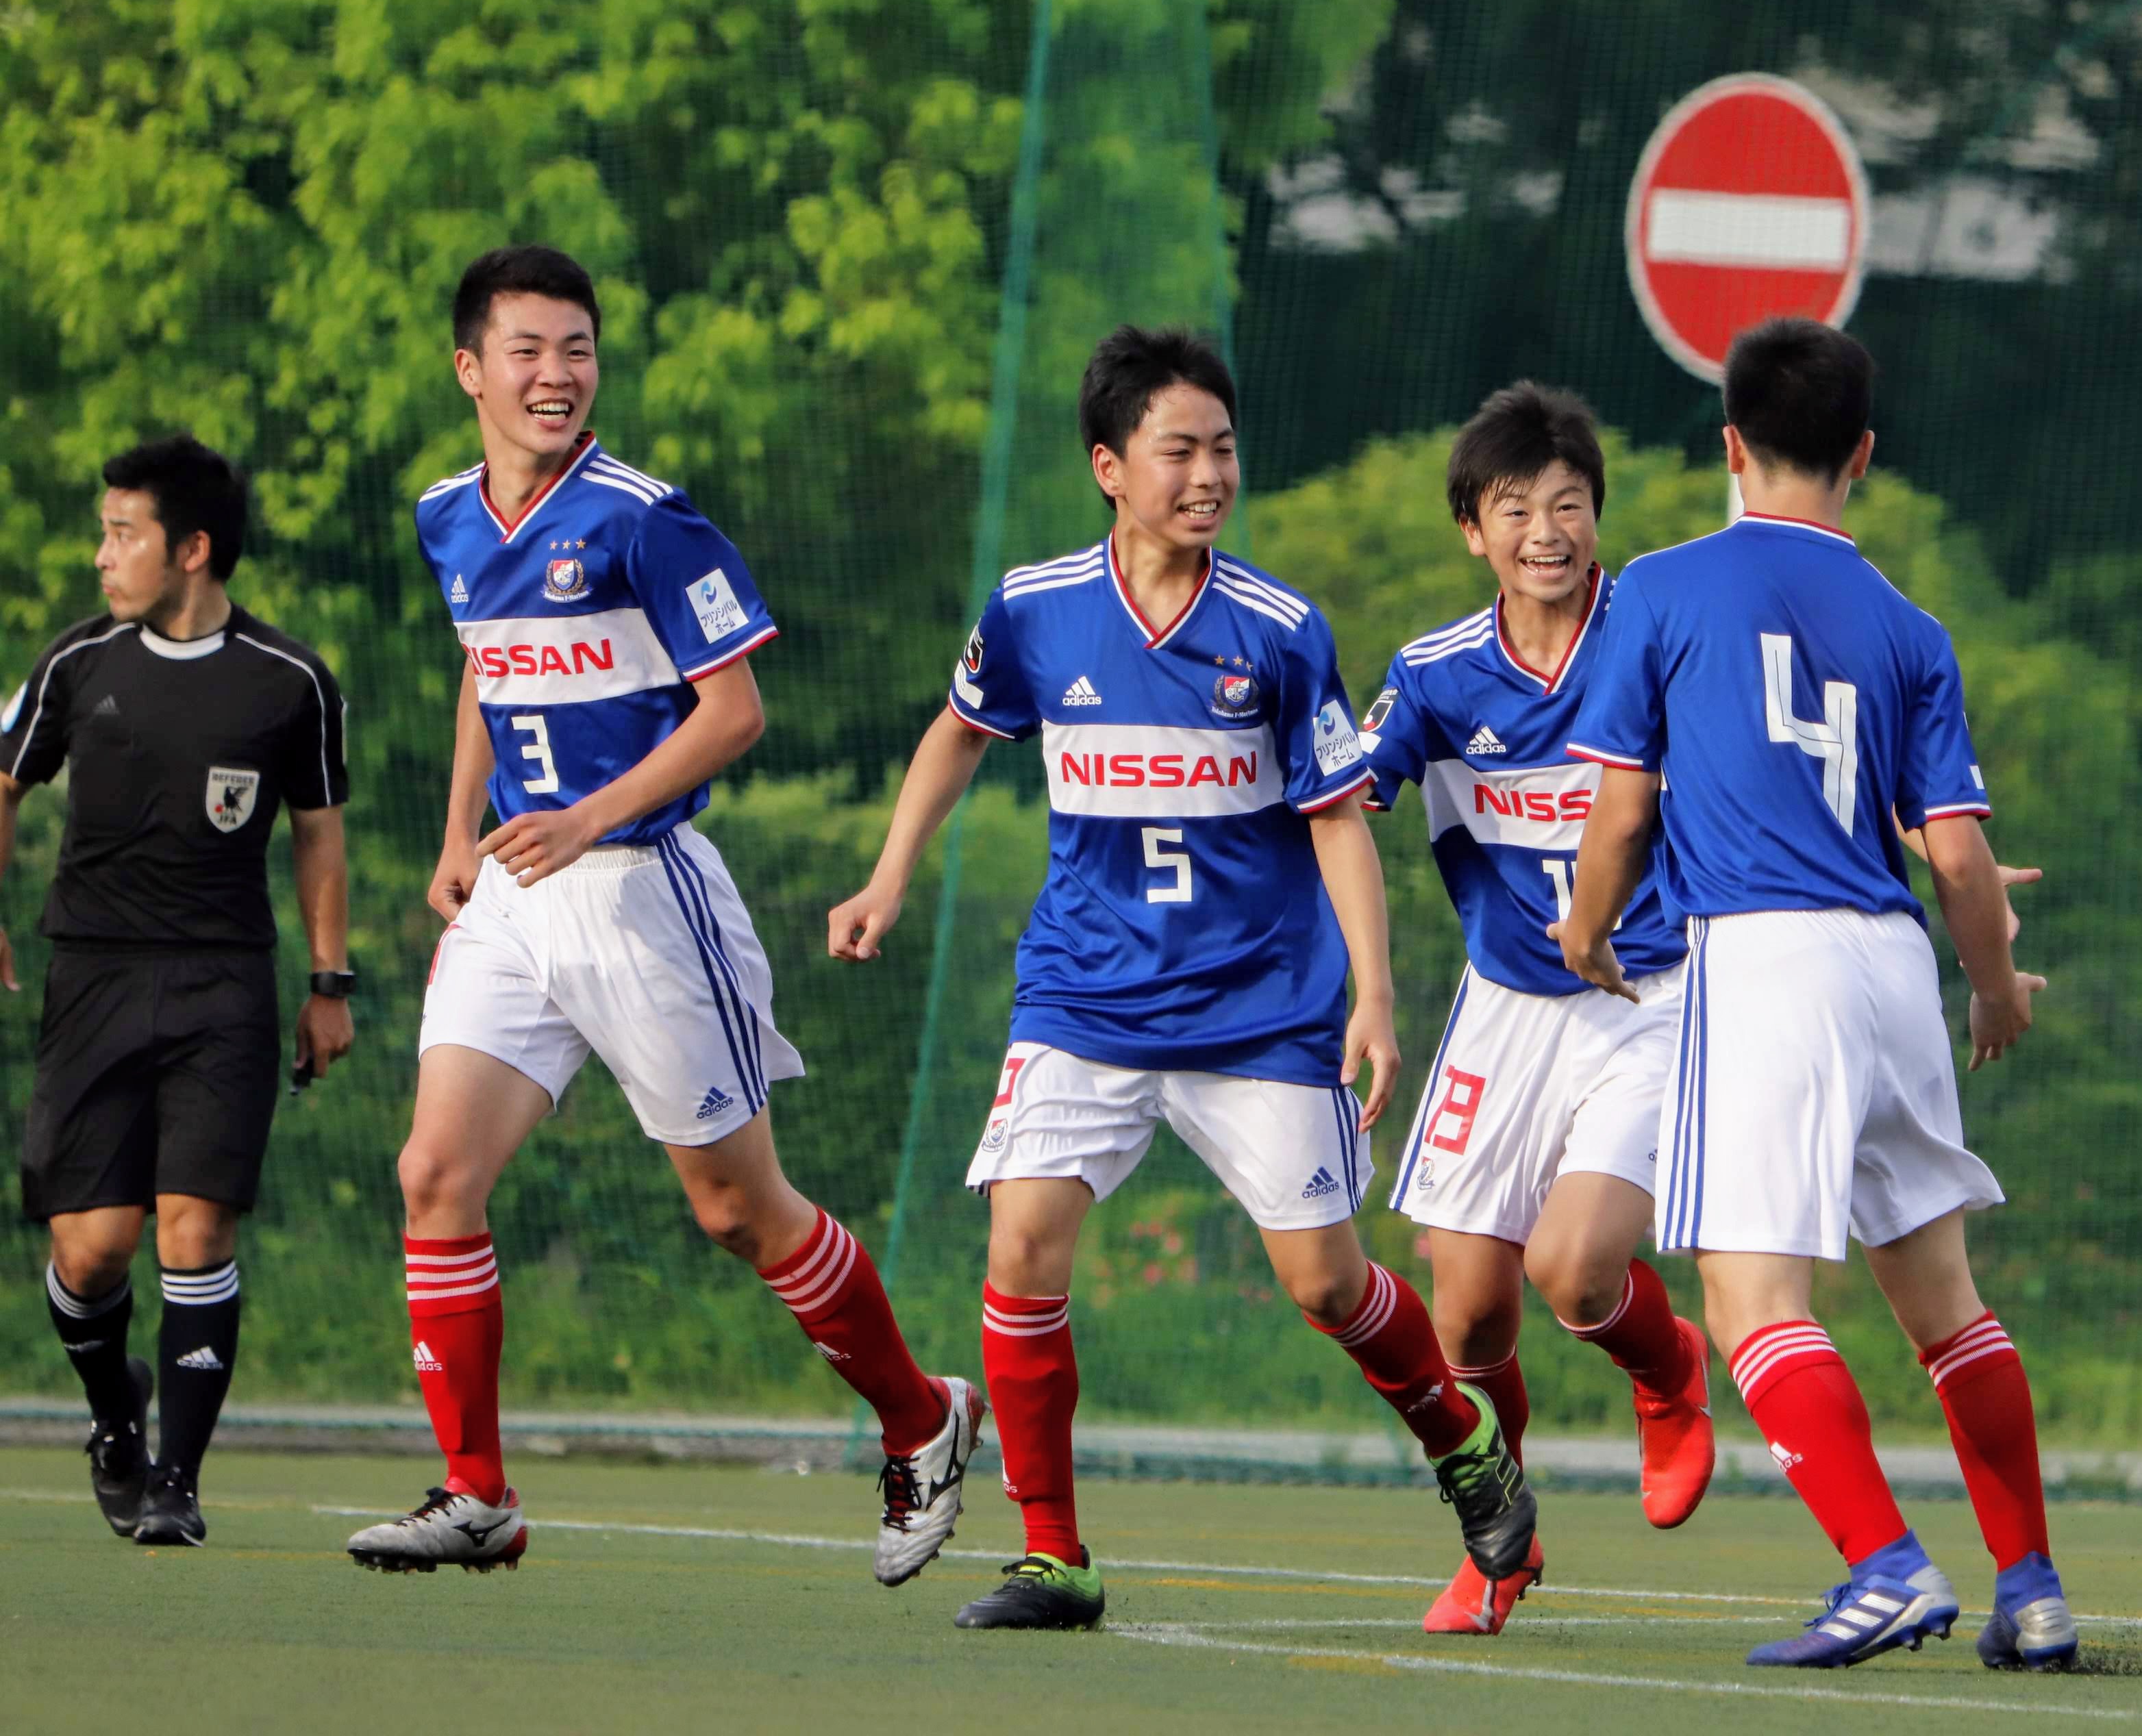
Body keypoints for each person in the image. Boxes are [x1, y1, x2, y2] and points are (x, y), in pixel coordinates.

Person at [828, 325, 1535, 1633]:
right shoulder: (1037, 609)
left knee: (1327, 1285)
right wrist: (886, 877)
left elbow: (1335, 817)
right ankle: (1057, 1557)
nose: (1210, 473)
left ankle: (1460, 1437)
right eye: (1180, 450)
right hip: (1083, 997)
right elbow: (955, 733)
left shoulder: (1276, 632)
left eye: (1223, 448)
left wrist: (1373, 997)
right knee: (1023, 1249)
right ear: (1110, 465)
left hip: (1261, 1010)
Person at [343, 245, 976, 1583]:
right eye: (526, 350)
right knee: (433, 1174)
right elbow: (483, 669)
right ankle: (477, 1492)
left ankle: (923, 1417)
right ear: (470, 369)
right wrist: (462, 831)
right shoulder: (449, 513)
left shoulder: (646, 518)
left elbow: (735, 708)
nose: (555, 374)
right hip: (515, 896)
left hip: (640, 891)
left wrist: (586, 816)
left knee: (738, 1210)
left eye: (575, 348)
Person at [1558, 316, 2071, 1672]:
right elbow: (1955, 852)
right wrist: (1995, 982)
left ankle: (1885, 1563)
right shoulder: (1910, 624)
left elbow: (1620, 813)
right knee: (1945, 1297)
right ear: (1864, 456)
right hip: (1893, 960)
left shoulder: (1660, 590)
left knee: (1749, 1296)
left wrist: (1586, 924)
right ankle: (2033, 1585)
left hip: (1763, 955)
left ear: (1728, 444)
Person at [1358, 382, 1711, 1636]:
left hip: (1651, 993)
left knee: (1573, 1270)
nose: (1547, 531)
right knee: (1464, 1309)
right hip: (1507, 1003)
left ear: (1600, 518)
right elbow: (1345, 804)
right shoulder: (1436, 677)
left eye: (1569, 504)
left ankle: (1668, 1374)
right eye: (1518, 509)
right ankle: (1497, 1538)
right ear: (1474, 529)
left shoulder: (1661, 640)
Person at [2, 435, 352, 1550]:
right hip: (93, 977)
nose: (102, 554)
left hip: (223, 987)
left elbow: (319, 839)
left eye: (123, 533)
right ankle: (117, 1417)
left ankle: (178, 1484)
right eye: (104, 531)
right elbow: (3, 781)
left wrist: (327, 982)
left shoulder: (290, 682)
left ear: (192, 549)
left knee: (195, 1230)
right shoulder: (76, 664)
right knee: (90, 1251)